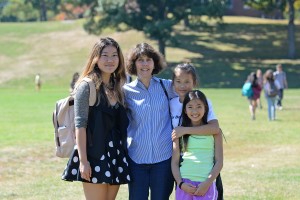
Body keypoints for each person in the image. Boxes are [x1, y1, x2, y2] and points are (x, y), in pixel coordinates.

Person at [61, 37, 131, 200]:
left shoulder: (118, 86)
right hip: (94, 154)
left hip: (115, 154)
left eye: (114, 55)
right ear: (95, 58)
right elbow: (80, 125)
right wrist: (83, 161)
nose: (110, 60)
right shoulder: (87, 86)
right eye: (105, 55)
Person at [170, 63, 223, 200]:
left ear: (194, 82)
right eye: (178, 81)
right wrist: (181, 183)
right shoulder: (171, 103)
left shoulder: (205, 101)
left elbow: (214, 128)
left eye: (187, 81)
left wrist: (184, 130)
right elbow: (174, 162)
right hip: (184, 166)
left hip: (206, 168)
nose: (183, 85)